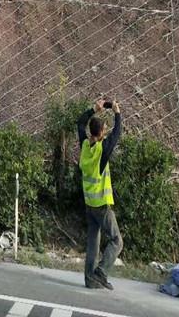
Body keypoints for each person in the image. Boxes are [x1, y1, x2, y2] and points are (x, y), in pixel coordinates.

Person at [77, 98, 123, 290]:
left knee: (93, 244)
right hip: (102, 206)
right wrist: (117, 112)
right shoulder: (102, 151)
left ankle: (90, 280)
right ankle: (101, 272)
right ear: (102, 132)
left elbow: (80, 122)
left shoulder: (85, 146)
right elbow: (118, 133)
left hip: (89, 204)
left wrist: (93, 109)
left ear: (91, 132)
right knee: (116, 241)